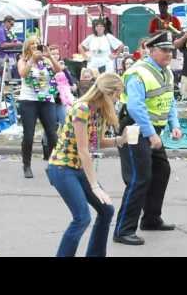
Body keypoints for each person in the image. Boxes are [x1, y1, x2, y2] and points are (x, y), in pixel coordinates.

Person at [46, 73, 130, 257]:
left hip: (78, 169)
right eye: (117, 94)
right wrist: (94, 186)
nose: (118, 99)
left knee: (106, 211)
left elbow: (96, 142)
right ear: (108, 92)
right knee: (82, 218)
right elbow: (84, 150)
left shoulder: (98, 111)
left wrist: (120, 140)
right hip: (62, 168)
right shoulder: (81, 108)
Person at [114, 31, 182, 246]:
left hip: (153, 131)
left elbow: (169, 99)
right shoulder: (138, 72)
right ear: (151, 50)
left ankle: (151, 219)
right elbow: (135, 107)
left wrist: (175, 124)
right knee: (138, 178)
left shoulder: (166, 72)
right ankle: (123, 229)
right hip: (134, 129)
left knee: (162, 171)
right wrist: (151, 133)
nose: (168, 54)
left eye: (171, 50)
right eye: (164, 50)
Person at [17, 36, 62, 178]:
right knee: (29, 135)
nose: (36, 46)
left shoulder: (46, 61)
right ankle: (27, 165)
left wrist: (49, 56)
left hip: (46, 100)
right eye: (32, 44)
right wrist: (32, 60)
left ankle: (56, 164)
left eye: (37, 43)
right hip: (28, 100)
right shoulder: (23, 60)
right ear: (27, 47)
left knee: (52, 134)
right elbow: (23, 73)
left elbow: (59, 70)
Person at [42, 45, 77, 160]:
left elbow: (72, 84)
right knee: (50, 126)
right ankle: (47, 149)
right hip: (49, 101)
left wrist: (70, 86)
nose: (55, 56)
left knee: (66, 122)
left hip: (60, 101)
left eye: (57, 53)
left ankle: (67, 147)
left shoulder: (61, 67)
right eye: (53, 53)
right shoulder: (44, 66)